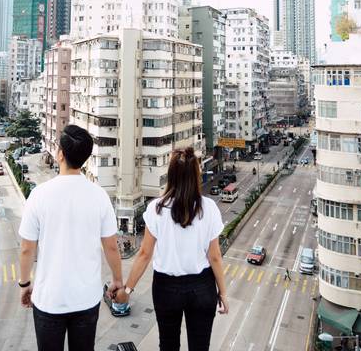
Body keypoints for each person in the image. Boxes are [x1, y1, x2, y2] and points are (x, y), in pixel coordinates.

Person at [18, 124, 123, 351]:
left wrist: (25, 284)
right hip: (86, 299)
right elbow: (111, 248)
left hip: (49, 300)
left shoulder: (39, 195)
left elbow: (27, 249)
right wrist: (117, 281)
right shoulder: (99, 195)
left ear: (60, 154)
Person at [118, 147, 229, 351]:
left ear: (170, 175)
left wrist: (127, 289)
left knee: (168, 345)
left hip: (166, 288)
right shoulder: (209, 208)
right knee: (200, 346)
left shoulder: (157, 208)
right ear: (197, 175)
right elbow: (215, 257)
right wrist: (222, 293)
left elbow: (144, 254)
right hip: (202, 286)